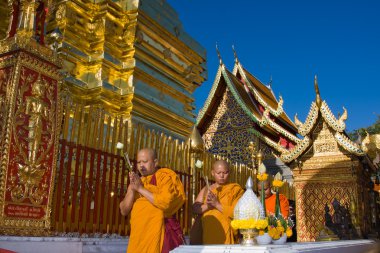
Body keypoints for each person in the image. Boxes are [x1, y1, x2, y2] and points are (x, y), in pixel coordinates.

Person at [120, 148, 186, 253]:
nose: (141, 165)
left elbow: (166, 203)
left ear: (155, 162)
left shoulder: (164, 177)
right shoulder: (137, 181)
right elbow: (124, 210)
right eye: (138, 162)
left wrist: (140, 189)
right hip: (139, 235)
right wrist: (133, 189)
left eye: (145, 162)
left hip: (160, 233)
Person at [192, 160, 244, 244]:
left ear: (229, 173)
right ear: (213, 173)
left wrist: (217, 204)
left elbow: (238, 213)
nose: (222, 176)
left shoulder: (235, 190)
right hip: (208, 233)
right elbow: (195, 208)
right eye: (218, 173)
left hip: (226, 233)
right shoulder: (207, 189)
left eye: (225, 172)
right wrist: (208, 206)